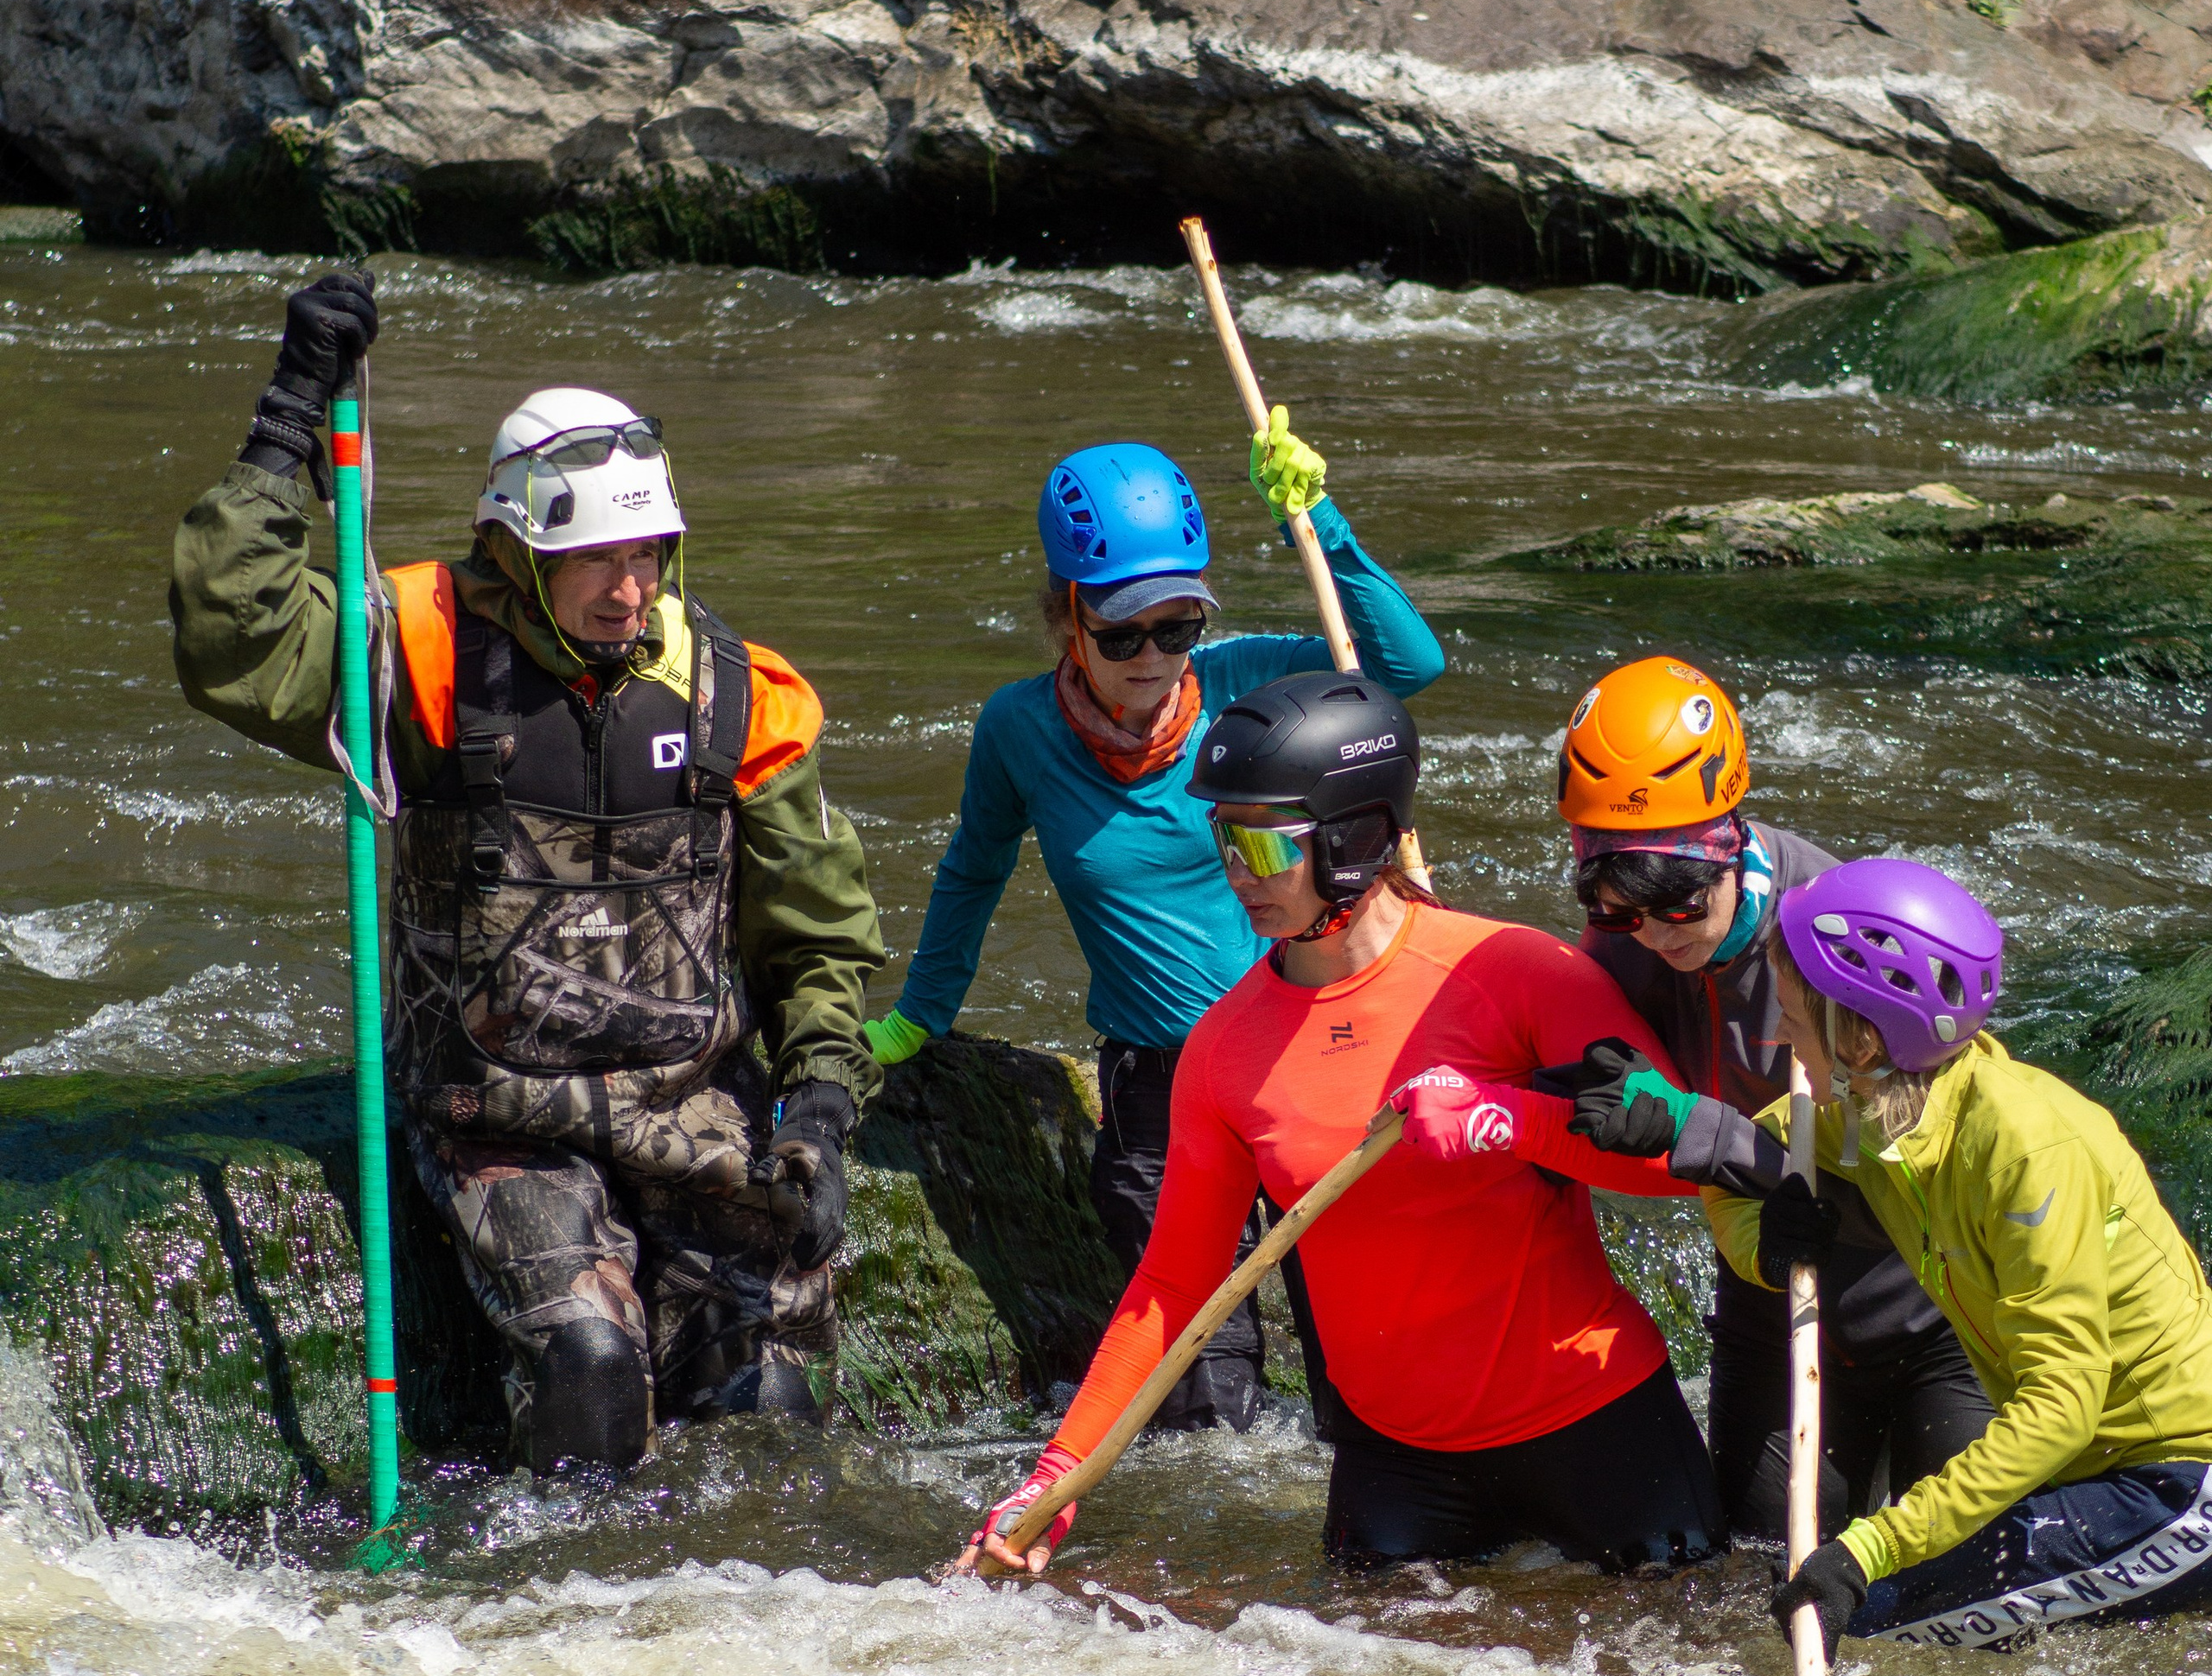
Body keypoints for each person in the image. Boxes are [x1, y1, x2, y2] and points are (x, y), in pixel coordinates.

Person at [169, 270, 884, 1472]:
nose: (629, 587)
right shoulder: (423, 651)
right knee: (591, 1378)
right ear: (513, 547)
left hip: (689, 1102)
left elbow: (817, 936)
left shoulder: (736, 694)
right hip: (499, 1116)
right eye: (595, 558)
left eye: (648, 553)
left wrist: (818, 1100)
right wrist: (289, 415)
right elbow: (232, 631)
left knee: (765, 1403)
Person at [959, 669, 1722, 1578]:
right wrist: (1055, 1475)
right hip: (1397, 1458)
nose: (1238, 873)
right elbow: (1172, 1284)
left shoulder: (1517, 971)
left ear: (1358, 838)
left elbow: (1682, 1162)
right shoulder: (1222, 1048)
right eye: (1223, 838)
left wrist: (1509, 1122)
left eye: (1264, 845)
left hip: (1593, 1425)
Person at [864, 416, 1445, 1432]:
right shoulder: (1017, 730)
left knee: (1360, 1366)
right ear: (1066, 617)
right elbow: (971, 871)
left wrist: (1316, 515)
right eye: (1123, 633)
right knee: (1208, 1404)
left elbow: (1402, 662)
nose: (1153, 658)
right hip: (1159, 1090)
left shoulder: (1241, 685)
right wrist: (922, 1015)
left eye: (1176, 628)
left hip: (1299, 1054)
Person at [1705, 859, 2212, 1660]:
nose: (1775, 1037)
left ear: (1860, 1039)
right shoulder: (1874, 1115)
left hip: (2179, 1485)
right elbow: (1737, 1159)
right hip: (2089, 1474)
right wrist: (1762, 1245)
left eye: (1794, 1018)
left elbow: (2063, 1403)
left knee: (1865, 1628)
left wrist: (1868, 1549)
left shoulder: (2025, 1146)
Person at [1550, 654, 1988, 1535]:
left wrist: (1720, 1140)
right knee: (1757, 1578)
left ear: (1725, 844)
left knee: (1959, 1592)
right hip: (1770, 1300)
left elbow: (1920, 1158)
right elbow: (1590, 1101)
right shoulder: (1622, 950)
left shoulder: (1843, 933)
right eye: (1612, 904)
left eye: (1673, 901)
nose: (1650, 932)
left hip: (1928, 1311)